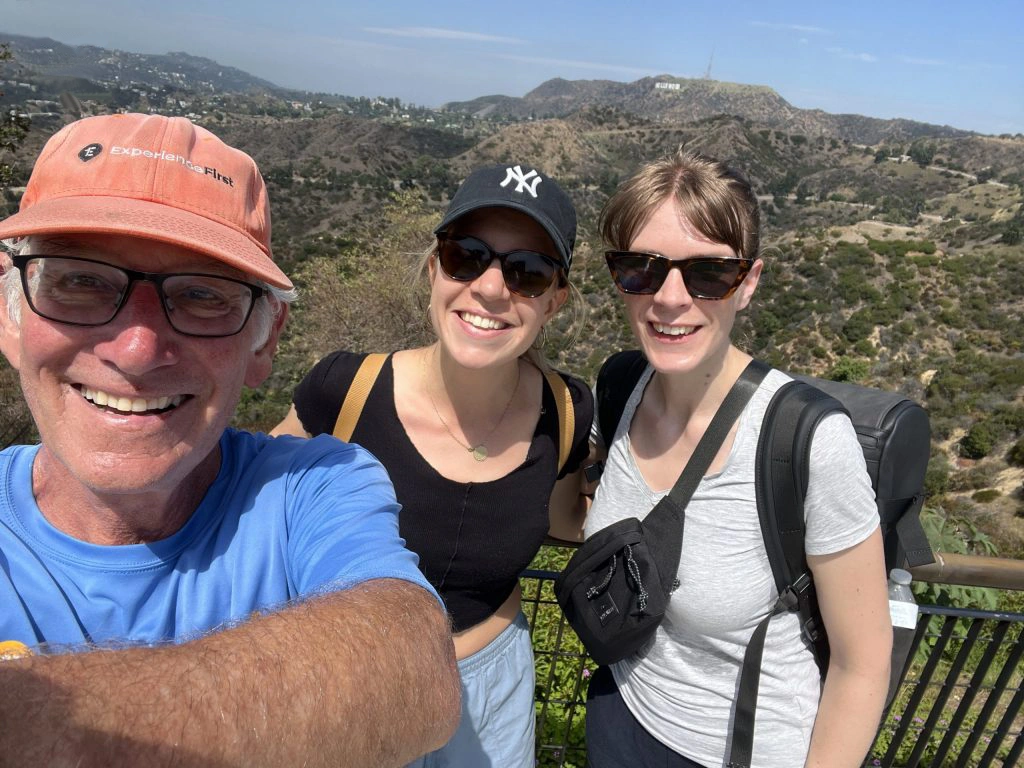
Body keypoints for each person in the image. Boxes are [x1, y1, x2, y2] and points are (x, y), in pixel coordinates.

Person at [0, 113, 460, 767]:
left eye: (200, 296)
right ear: (9, 308)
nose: (136, 349)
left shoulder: (312, 487)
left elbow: (414, 666)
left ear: (264, 340)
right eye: (80, 280)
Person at [272, 163, 594, 767]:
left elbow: (567, 518)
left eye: (527, 272)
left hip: (494, 691)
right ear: (434, 269)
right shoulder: (345, 392)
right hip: (351, 684)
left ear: (555, 301)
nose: (492, 289)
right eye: (466, 256)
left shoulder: (566, 411)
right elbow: (246, 513)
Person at [583, 149, 891, 768]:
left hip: (740, 750)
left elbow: (863, 665)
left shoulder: (804, 441)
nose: (670, 298)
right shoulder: (619, 386)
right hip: (621, 707)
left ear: (747, 283)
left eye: (707, 274)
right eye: (641, 269)